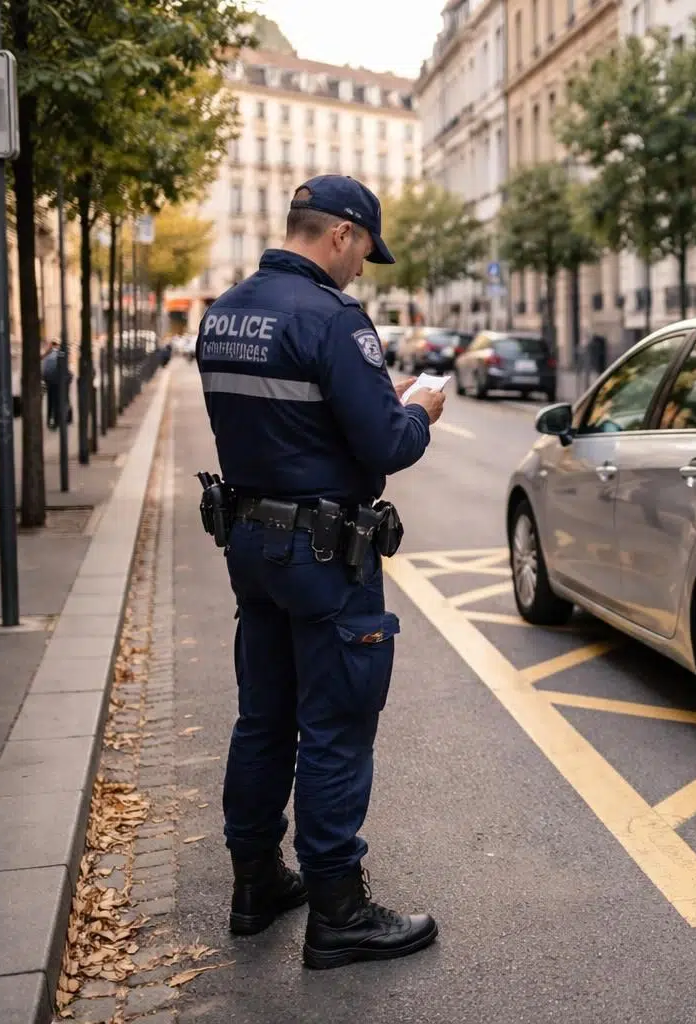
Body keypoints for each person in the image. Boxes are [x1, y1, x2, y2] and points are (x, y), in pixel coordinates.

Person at [194, 175, 447, 970]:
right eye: (365, 249)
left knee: (263, 718)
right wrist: (419, 409)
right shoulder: (333, 319)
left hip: (250, 544)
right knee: (335, 725)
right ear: (340, 233)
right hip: (324, 555)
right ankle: (339, 909)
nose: (362, 268)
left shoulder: (224, 311)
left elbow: (280, 422)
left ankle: (255, 882)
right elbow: (388, 444)